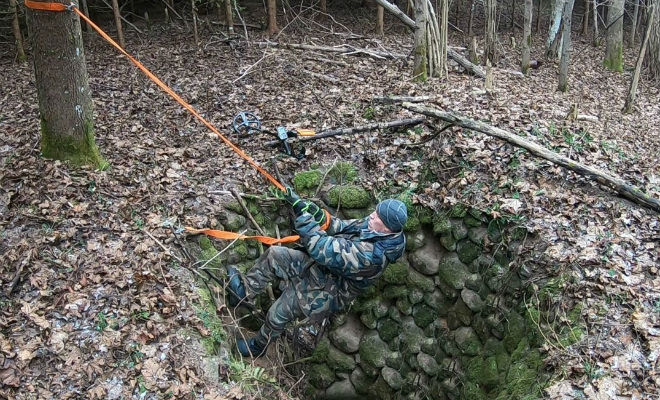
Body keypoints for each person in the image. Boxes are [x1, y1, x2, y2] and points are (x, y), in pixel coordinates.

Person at [226, 187, 408, 357]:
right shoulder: (373, 227)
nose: (371, 215)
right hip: (321, 270)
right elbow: (340, 227)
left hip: (328, 292)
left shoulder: (371, 256)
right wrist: (314, 212)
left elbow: (321, 248)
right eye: (375, 211)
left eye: (377, 217)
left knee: (278, 313)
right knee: (275, 254)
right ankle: (243, 293)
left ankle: (257, 347)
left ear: (387, 229)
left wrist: (303, 216)